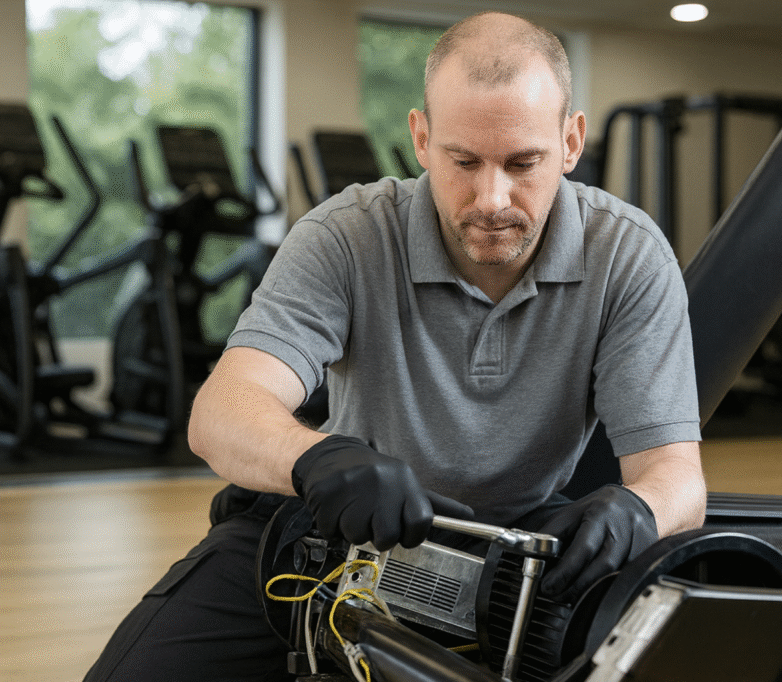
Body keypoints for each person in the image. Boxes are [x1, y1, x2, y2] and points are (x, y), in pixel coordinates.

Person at [84, 11, 705, 682]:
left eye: (523, 163)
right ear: (420, 138)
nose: (491, 198)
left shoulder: (627, 254)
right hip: (327, 533)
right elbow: (223, 412)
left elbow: (678, 478)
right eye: (462, 161)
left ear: (571, 141)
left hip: (515, 556)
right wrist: (315, 458)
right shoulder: (345, 236)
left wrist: (637, 509)